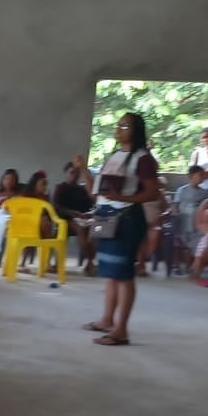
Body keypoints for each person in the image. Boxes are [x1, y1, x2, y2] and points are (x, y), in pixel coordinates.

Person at [81, 112, 159, 346]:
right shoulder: (113, 155)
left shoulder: (143, 159)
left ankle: (121, 330)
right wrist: (84, 171)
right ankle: (107, 319)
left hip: (127, 217)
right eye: (118, 125)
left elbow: (152, 192)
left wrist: (122, 196)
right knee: (110, 272)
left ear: (136, 131)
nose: (119, 129)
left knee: (123, 274)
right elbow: (96, 192)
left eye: (125, 126)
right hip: (106, 214)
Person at [53, 157, 96, 275]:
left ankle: (89, 263)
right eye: (72, 173)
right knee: (81, 228)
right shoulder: (60, 187)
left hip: (83, 218)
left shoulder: (81, 189)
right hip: (66, 219)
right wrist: (73, 213)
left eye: (77, 173)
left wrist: (87, 214)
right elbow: (56, 207)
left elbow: (91, 202)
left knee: (98, 230)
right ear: (66, 173)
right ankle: (91, 262)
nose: (75, 176)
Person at [173, 166, 208, 271]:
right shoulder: (182, 190)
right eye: (200, 175)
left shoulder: (204, 193)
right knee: (178, 242)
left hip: (196, 223)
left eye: (204, 175)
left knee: (194, 243)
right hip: (183, 220)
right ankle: (176, 264)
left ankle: (190, 264)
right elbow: (175, 205)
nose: (203, 178)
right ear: (191, 176)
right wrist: (175, 213)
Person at [136, 177, 169, 277]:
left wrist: (162, 216)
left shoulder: (160, 194)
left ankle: (141, 262)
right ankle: (140, 265)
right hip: (139, 222)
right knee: (139, 237)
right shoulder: (139, 192)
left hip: (155, 223)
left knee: (155, 234)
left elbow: (167, 209)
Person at [0, 169, 22, 267]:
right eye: (7, 179)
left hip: (16, 218)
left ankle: (12, 259)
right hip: (3, 218)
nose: (9, 181)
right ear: (2, 180)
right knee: (0, 232)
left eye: (12, 179)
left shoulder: (18, 194)